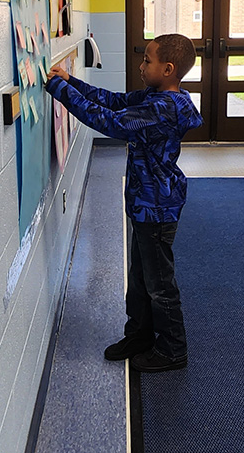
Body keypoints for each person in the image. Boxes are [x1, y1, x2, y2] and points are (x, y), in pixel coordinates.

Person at [45, 34, 203, 373]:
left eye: (148, 60)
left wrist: (60, 91)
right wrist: (71, 81)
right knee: (141, 277)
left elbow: (111, 122)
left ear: (169, 68)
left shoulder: (164, 109)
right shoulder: (155, 97)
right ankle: (140, 335)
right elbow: (115, 101)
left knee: (159, 283)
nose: (141, 66)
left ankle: (174, 350)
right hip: (145, 204)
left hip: (156, 207)